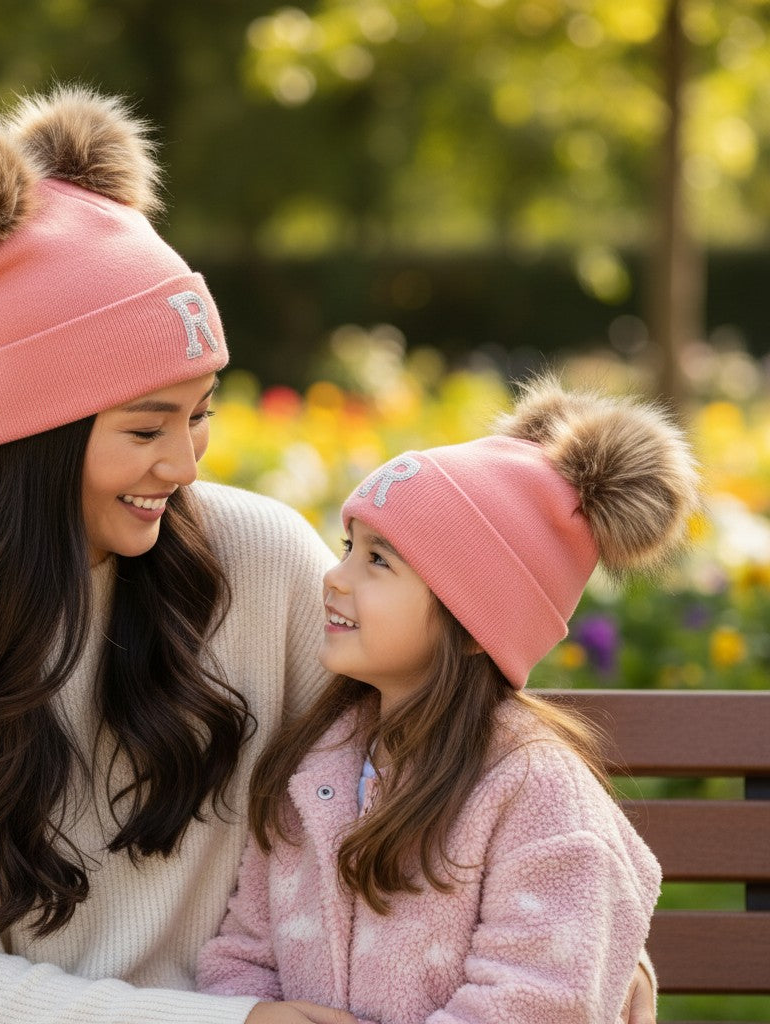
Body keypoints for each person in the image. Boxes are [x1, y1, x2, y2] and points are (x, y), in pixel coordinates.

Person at [0, 86, 657, 1024]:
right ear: (32, 433)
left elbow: (451, 751)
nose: (186, 464)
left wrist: (598, 970)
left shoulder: (261, 559)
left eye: (200, 413)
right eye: (146, 428)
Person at [198, 377, 700, 1023]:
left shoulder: (538, 793)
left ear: (473, 625)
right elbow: (243, 955)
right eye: (350, 547)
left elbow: (538, 1000)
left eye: (378, 561)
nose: (335, 577)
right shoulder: (317, 766)